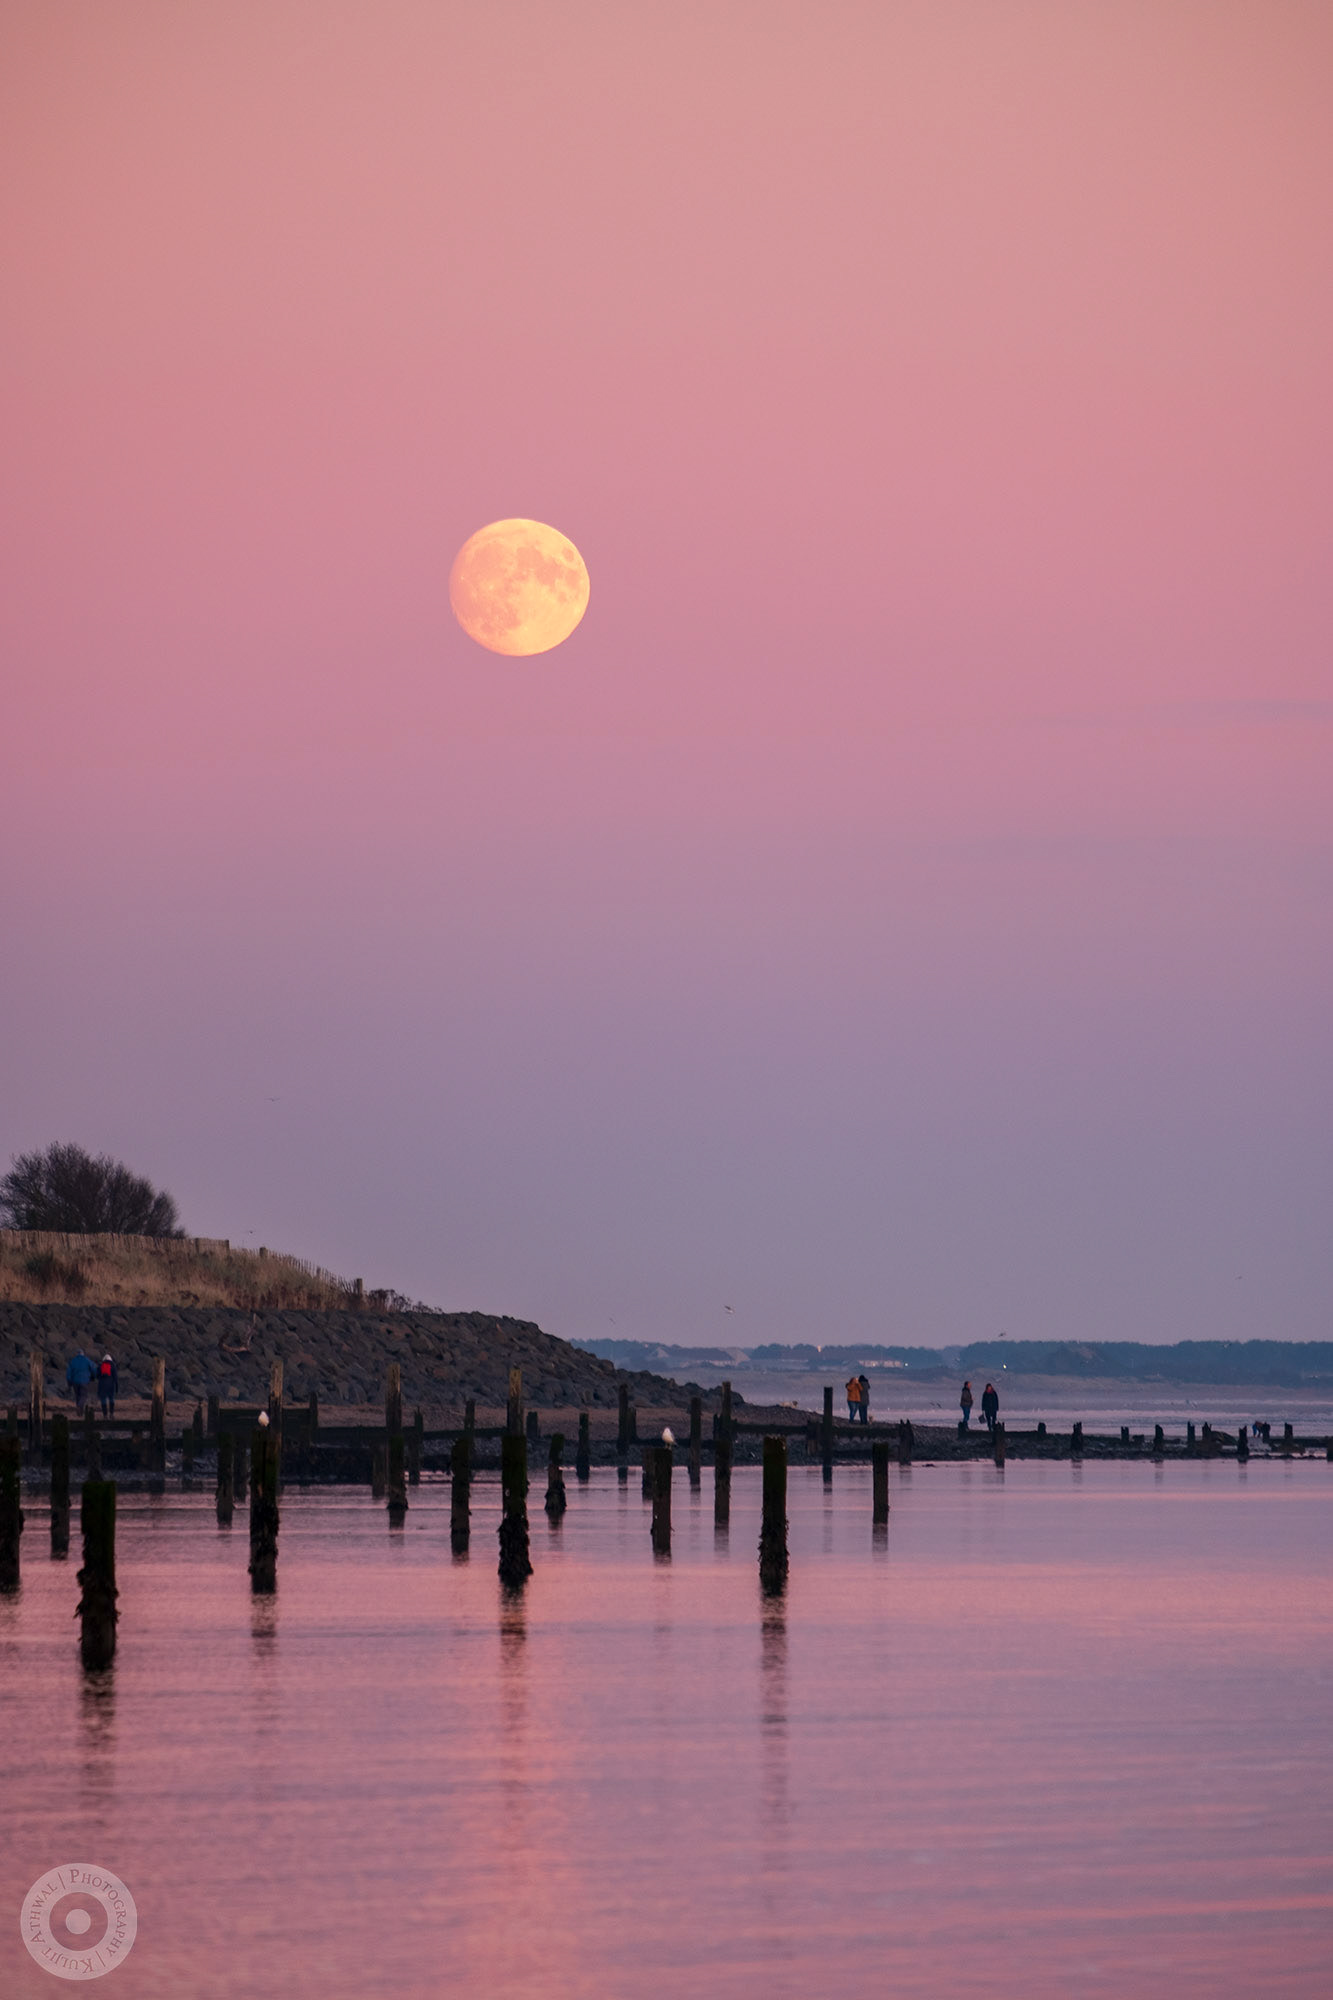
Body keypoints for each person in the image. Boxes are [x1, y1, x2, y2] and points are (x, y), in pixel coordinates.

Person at [66, 1347, 95, 1415]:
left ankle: (79, 1413)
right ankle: (79, 1407)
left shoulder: (73, 1361)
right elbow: (93, 1369)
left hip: (75, 1381)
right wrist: (92, 1377)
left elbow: (68, 1372)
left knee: (77, 1396)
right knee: (83, 1396)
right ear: (83, 1354)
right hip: (84, 1381)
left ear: (77, 1354)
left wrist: (69, 1382)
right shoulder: (87, 1360)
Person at [97, 1352, 119, 1418]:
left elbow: (98, 1376)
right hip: (111, 1385)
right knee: (111, 1399)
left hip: (102, 1385)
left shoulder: (101, 1366)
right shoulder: (113, 1366)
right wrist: (117, 1387)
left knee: (103, 1400)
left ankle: (105, 1415)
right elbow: (115, 1377)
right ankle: (111, 1414)